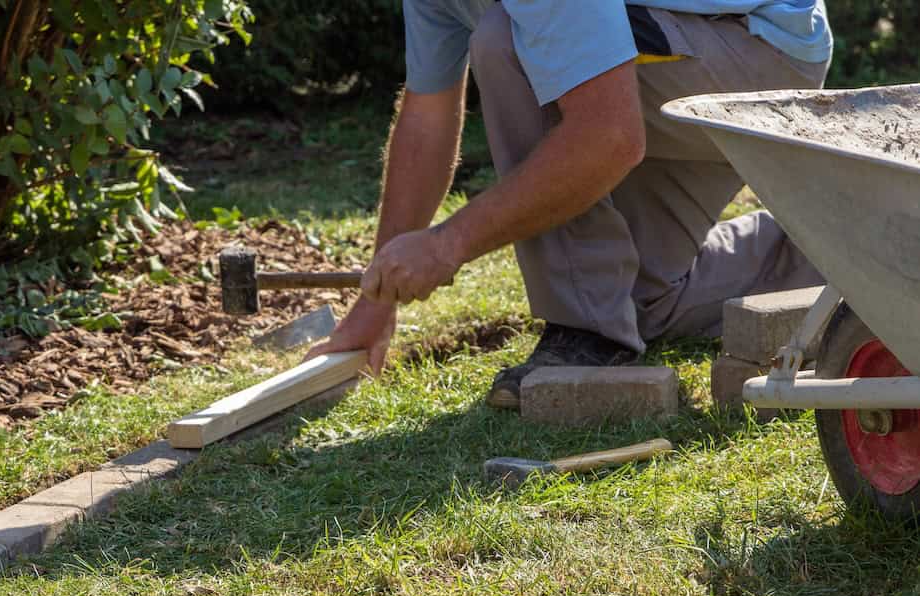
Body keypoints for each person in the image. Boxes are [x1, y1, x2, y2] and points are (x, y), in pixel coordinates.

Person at [309, 1, 832, 408]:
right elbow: (427, 116)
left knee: (505, 40)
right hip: (694, 41)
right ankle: (836, 246)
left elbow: (609, 137)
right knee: (638, 304)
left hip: (753, 50)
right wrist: (373, 307)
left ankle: (587, 333)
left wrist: (449, 245)